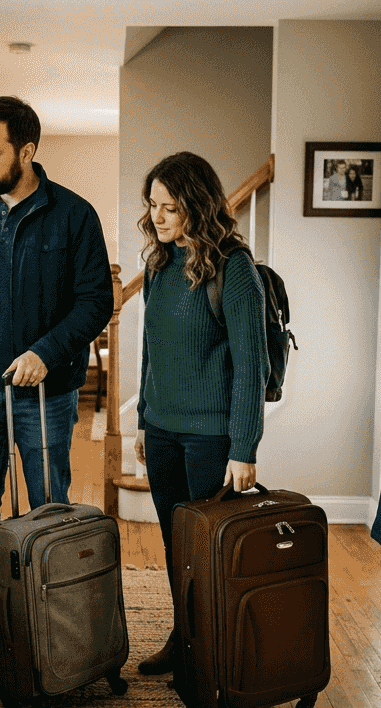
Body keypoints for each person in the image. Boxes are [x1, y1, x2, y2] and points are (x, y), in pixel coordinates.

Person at [0, 96, 113, 655]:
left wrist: (46, 352)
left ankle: (54, 619)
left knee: (47, 506)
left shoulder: (75, 216)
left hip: (46, 396)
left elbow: (95, 302)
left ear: (26, 152)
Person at [132, 151, 268, 675]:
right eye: (153, 206)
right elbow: (151, 350)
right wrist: (144, 418)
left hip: (211, 441)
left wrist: (244, 448)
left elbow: (250, 368)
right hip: (163, 431)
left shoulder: (234, 270)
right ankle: (185, 638)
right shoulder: (157, 265)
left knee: (211, 551)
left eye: (170, 207)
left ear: (198, 205)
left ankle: (218, 653)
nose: (158, 217)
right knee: (174, 542)